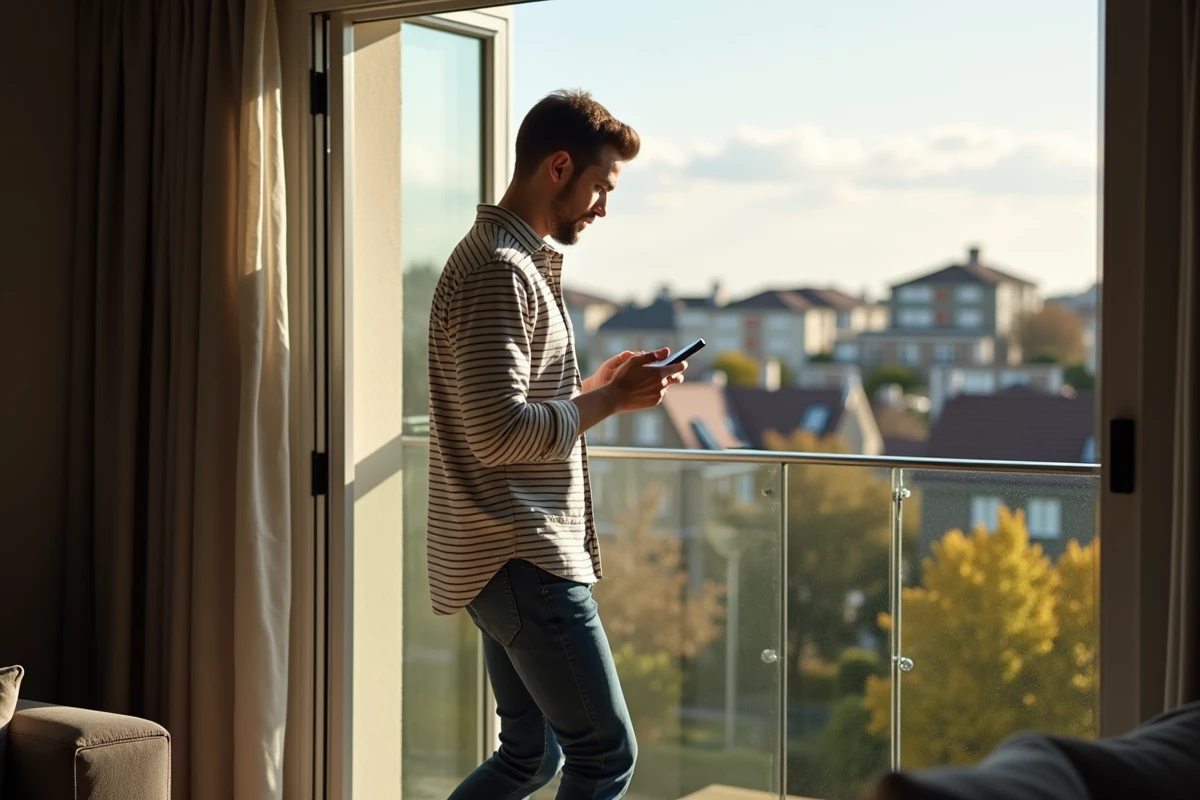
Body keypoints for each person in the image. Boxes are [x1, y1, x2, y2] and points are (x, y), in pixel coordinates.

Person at [428, 90, 686, 799]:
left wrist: (602, 383)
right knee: (604, 756)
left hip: (502, 552)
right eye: (601, 186)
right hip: (523, 554)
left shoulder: (505, 260)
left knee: (527, 758)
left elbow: (511, 405)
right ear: (560, 167)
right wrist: (611, 400)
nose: (603, 206)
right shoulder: (498, 271)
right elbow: (498, 431)